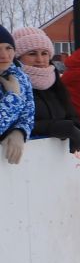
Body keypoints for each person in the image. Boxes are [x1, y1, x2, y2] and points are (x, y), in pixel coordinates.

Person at [12, 26, 80, 156]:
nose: (40, 60)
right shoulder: (10, 85)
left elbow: (71, 114)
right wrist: (56, 127)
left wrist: (75, 126)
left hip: (53, 163)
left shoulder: (55, 83)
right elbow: (10, 125)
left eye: (44, 53)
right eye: (32, 53)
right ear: (17, 57)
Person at [0, 26, 32, 165]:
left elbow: (28, 114)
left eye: (8, 48)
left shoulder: (20, 76)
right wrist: (13, 97)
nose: (4, 55)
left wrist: (19, 131)